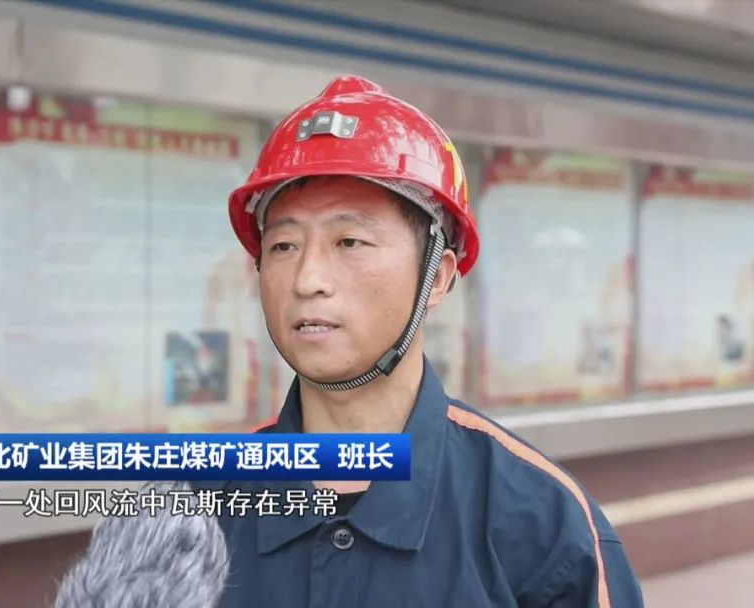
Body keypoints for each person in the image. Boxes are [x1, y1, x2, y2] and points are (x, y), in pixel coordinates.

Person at [199, 75, 644, 607]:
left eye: (349, 241)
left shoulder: (544, 527)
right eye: (284, 245)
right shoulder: (196, 514)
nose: (307, 279)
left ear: (437, 277)